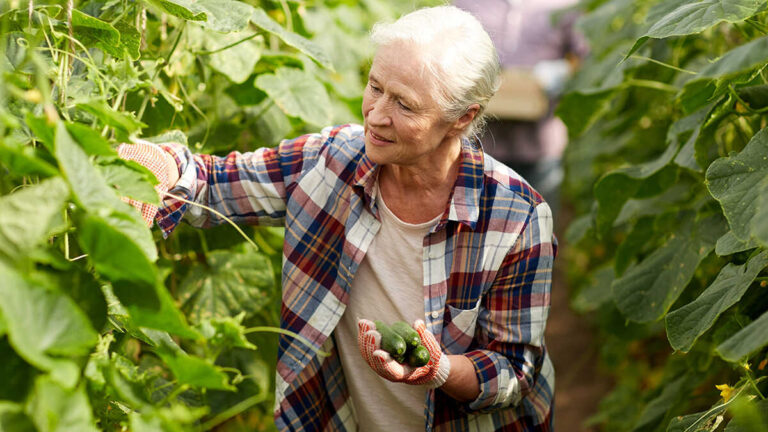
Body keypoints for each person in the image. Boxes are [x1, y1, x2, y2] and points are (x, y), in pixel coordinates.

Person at [119, 6, 556, 431]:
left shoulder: (517, 217)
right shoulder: (328, 162)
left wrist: (440, 370)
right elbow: (214, 181)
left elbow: (514, 370)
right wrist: (158, 166)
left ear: (463, 117)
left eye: (404, 105)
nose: (376, 114)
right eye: (375, 86)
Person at [454, 0, 588, 216]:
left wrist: (563, 71)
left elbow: (585, 56)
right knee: (472, 233)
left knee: (537, 229)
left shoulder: (566, 4)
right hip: (475, 144)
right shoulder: (466, 3)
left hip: (538, 146)